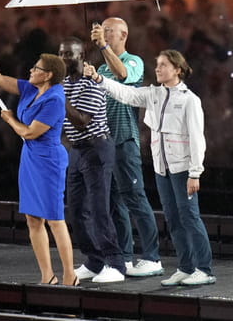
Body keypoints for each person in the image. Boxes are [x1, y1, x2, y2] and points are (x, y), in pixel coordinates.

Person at [85, 49, 216, 286]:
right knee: (173, 219)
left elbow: (198, 138)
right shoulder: (153, 94)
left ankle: (204, 269)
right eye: (157, 64)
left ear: (177, 69)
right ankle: (185, 267)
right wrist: (100, 79)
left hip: (183, 169)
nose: (157, 69)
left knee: (190, 218)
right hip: (162, 169)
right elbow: (126, 94)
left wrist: (195, 172)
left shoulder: (189, 100)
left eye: (163, 65)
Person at [0, 43, 76, 286]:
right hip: (30, 159)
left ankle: (69, 275)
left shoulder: (54, 99)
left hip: (49, 160)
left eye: (36, 68)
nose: (31, 70)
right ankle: (47, 276)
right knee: (33, 218)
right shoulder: (31, 89)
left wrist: (11, 120)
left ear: (49, 75)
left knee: (54, 219)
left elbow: (30, 133)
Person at [88, 18, 163, 278]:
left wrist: (101, 47)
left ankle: (153, 257)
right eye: (103, 30)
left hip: (124, 139)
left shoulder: (134, 61)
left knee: (135, 198)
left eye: (110, 30)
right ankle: (125, 257)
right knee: (113, 203)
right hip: (104, 141)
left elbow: (122, 75)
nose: (105, 33)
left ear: (124, 34)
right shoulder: (100, 66)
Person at [59, 37, 126, 284]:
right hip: (77, 151)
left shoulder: (91, 82)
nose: (64, 58)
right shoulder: (65, 82)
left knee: (99, 209)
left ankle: (115, 263)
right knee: (76, 211)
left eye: (68, 54)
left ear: (82, 55)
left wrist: (58, 96)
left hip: (97, 148)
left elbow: (82, 120)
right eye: (61, 53)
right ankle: (95, 260)